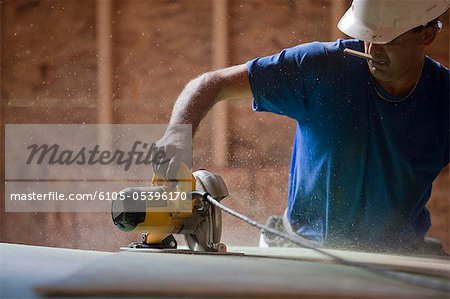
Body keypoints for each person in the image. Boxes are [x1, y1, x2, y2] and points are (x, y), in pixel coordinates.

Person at [152, 0, 450, 255]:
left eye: (389, 39)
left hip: (398, 261)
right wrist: (175, 145)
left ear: (426, 35)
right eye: (368, 35)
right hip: (301, 249)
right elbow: (209, 85)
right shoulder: (322, 68)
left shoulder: (444, 100)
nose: (373, 49)